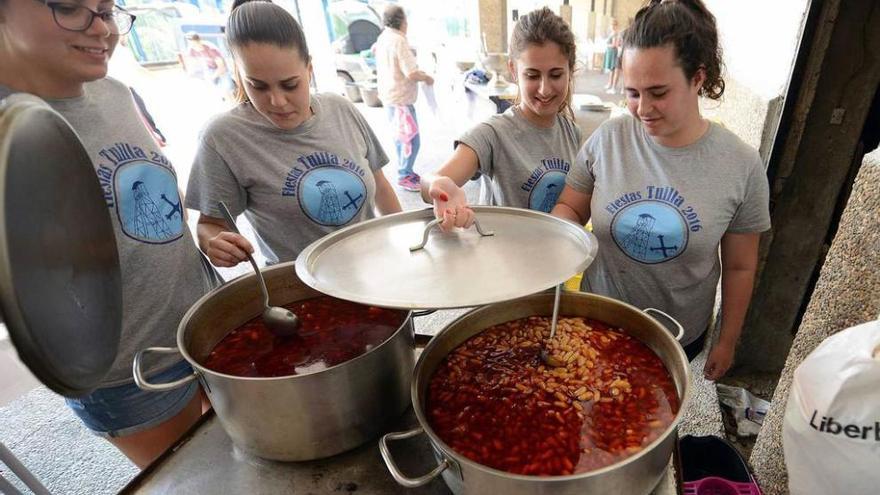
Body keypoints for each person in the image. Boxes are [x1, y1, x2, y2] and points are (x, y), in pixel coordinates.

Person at [0, 0, 216, 467]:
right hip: (130, 373)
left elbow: (146, 198)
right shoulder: (9, 137)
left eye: (105, 8)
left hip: (203, 321)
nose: (101, 28)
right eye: (69, 7)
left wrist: (201, 235)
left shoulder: (114, 91)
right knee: (198, 476)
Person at [551, 0, 771, 380]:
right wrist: (549, 240)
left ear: (697, 78)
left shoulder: (741, 165)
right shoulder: (609, 139)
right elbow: (570, 208)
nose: (642, 109)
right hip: (597, 317)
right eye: (633, 92)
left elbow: (739, 265)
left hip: (677, 333)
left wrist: (727, 340)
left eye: (658, 92)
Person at [186, 0, 402, 268]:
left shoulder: (342, 109)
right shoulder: (222, 138)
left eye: (290, 85)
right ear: (240, 76)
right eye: (258, 86)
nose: (277, 101)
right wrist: (215, 244)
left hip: (374, 271)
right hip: (297, 291)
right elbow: (209, 225)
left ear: (309, 70)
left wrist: (404, 246)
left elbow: (380, 186)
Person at [420, 7, 582, 231]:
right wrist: (438, 184)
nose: (544, 89)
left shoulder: (572, 132)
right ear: (513, 71)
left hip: (555, 258)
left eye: (556, 75)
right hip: (504, 260)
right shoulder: (492, 134)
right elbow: (430, 181)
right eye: (532, 75)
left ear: (570, 70)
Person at [373, 5, 435, 192]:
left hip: (389, 96)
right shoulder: (399, 40)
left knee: (401, 138)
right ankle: (404, 174)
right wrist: (427, 77)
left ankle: (405, 171)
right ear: (402, 22)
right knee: (411, 139)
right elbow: (411, 72)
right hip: (401, 100)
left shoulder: (383, 37)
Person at [182, 32, 234, 100]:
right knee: (208, 86)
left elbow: (222, 67)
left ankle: (231, 98)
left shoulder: (211, 49)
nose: (194, 46)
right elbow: (192, 65)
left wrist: (211, 78)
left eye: (195, 43)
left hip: (222, 70)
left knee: (228, 88)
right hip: (209, 69)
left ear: (199, 40)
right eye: (191, 43)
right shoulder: (191, 50)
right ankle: (221, 97)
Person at [603, 18, 622, 94]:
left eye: (613, 25)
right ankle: (610, 83)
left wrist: (608, 45)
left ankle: (613, 87)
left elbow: (615, 45)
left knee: (615, 69)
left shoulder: (616, 33)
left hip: (614, 52)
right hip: (611, 52)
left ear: (616, 25)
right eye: (611, 25)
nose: (612, 26)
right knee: (611, 69)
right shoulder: (612, 33)